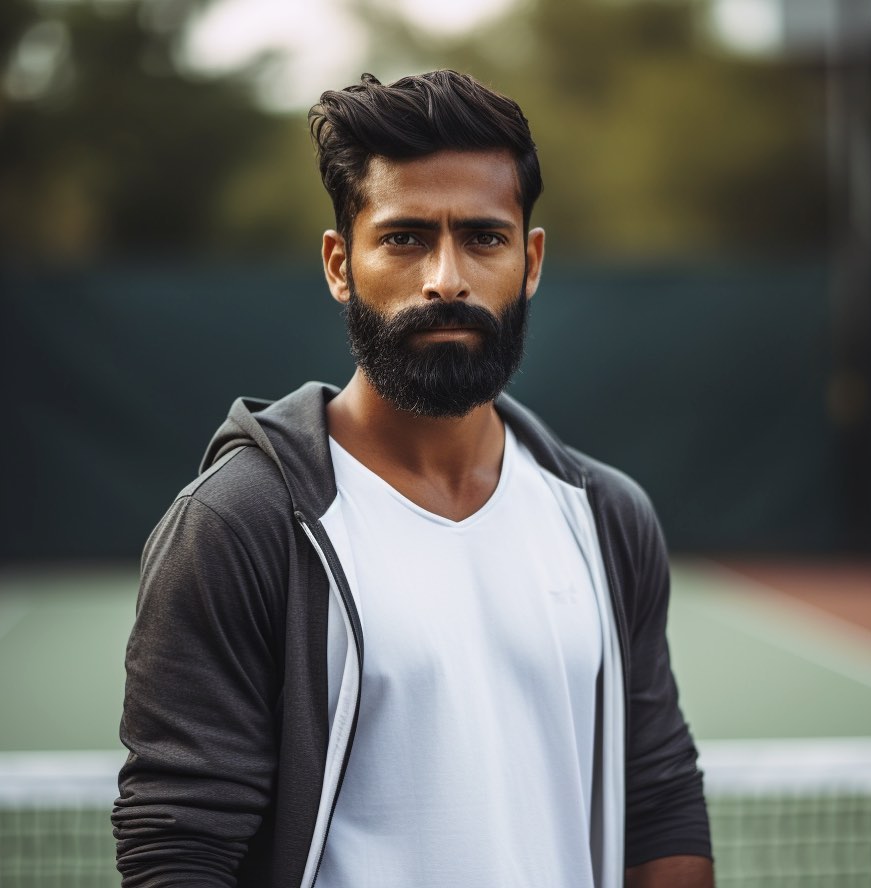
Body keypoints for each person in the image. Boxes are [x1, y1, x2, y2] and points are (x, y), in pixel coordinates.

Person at [112, 70, 713, 888]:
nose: (445, 279)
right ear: (339, 263)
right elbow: (179, 849)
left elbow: (659, 796)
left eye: (484, 238)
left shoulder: (607, 516)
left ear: (530, 261)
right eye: (403, 239)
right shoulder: (236, 525)